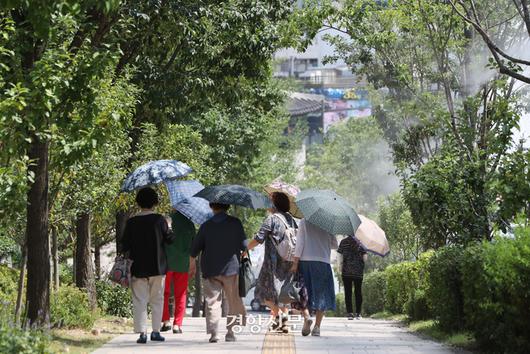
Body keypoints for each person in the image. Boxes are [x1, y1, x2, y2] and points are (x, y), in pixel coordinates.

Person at [121, 187, 175, 344]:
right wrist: (169, 226)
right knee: (157, 299)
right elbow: (170, 240)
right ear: (155, 203)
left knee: (139, 300)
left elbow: (124, 245)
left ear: (138, 202)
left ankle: (142, 333)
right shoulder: (160, 220)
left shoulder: (131, 222)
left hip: (138, 267)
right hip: (158, 267)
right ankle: (156, 332)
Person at [189, 203, 247, 343]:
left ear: (211, 207)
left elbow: (194, 249)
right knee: (232, 301)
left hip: (210, 269)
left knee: (212, 302)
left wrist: (192, 265)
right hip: (231, 270)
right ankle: (230, 332)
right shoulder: (235, 223)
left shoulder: (206, 225)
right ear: (227, 206)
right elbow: (244, 246)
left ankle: (214, 333)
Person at [246, 192, 297, 333]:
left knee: (261, 292)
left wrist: (245, 249)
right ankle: (282, 322)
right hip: (289, 260)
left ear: (274, 204)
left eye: (270, 201)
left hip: (272, 263)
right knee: (283, 295)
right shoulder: (291, 220)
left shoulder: (272, 219)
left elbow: (259, 238)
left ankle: (279, 314)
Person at [291, 218, 338, 337]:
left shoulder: (304, 221)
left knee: (303, 292)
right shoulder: (329, 223)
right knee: (321, 294)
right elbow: (335, 244)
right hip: (323, 262)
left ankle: (307, 317)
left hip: (305, 261)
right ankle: (317, 327)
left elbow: (300, 242)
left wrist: (295, 262)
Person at [161, 210, 195, 333]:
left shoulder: (167, 220)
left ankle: (166, 321)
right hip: (183, 263)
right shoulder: (189, 223)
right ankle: (177, 324)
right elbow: (193, 246)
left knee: (164, 293)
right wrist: (193, 263)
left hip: (166, 262)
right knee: (181, 294)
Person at [337, 236, 367, 320]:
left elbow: (339, 256)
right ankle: (358, 313)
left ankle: (350, 313)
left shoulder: (343, 242)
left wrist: (339, 267)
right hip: (358, 271)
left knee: (348, 292)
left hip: (346, 271)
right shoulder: (361, 242)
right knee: (358, 291)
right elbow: (365, 258)